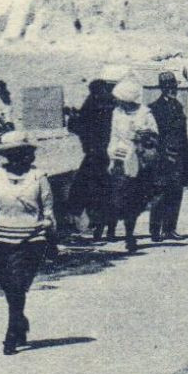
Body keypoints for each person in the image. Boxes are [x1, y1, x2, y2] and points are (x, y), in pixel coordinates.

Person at [0, 133, 54, 355]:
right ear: (6, 155)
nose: (19, 158)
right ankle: (19, 321)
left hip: (32, 240)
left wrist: (50, 234)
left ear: (29, 155)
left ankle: (11, 335)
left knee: (18, 285)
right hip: (1, 240)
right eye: (13, 153)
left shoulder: (39, 177)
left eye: (23, 153)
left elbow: (48, 211)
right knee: (10, 288)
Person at [148, 71, 188, 242]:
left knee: (176, 194)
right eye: (168, 86)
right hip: (163, 159)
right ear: (162, 88)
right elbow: (154, 136)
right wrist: (163, 154)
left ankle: (170, 229)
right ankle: (155, 231)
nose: (173, 89)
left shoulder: (178, 106)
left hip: (179, 157)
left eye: (174, 86)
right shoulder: (154, 109)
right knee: (160, 195)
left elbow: (182, 134)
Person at [106, 78, 160, 252]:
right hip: (121, 159)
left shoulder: (145, 113)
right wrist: (112, 156)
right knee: (120, 198)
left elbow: (155, 137)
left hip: (141, 161)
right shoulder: (117, 113)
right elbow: (114, 136)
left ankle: (130, 235)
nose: (117, 101)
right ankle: (115, 230)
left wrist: (143, 136)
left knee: (135, 201)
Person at [69, 72, 119, 241]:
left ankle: (97, 227)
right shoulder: (113, 104)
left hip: (95, 156)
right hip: (113, 154)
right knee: (112, 192)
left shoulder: (91, 104)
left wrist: (72, 117)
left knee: (89, 191)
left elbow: (78, 127)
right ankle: (110, 229)